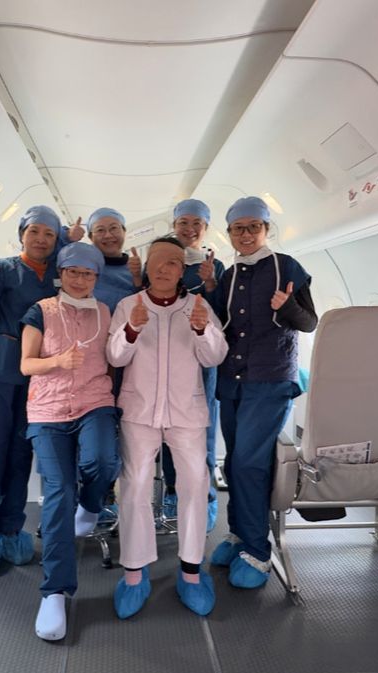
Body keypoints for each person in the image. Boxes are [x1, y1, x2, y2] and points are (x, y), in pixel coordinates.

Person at [107, 237, 228, 618]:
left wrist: (202, 330)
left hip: (186, 413)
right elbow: (115, 356)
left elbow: (215, 356)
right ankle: (134, 574)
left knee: (195, 486)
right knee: (135, 488)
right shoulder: (128, 305)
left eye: (172, 262)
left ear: (182, 271)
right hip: (139, 412)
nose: (163, 269)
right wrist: (131, 329)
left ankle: (191, 572)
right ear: (146, 268)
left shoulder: (198, 306)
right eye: (157, 261)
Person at [0, 205, 81, 577]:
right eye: (34, 232)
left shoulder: (61, 273)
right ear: (21, 235)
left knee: (20, 452)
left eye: (49, 234)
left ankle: (11, 527)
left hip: (36, 376)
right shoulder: (2, 268)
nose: (41, 239)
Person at [210, 197, 318, 589]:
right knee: (235, 462)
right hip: (232, 379)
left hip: (270, 379)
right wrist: (209, 286)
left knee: (249, 464)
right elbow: (218, 321)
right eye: (238, 228)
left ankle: (258, 551)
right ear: (229, 233)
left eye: (253, 227)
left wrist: (287, 306)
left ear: (266, 229)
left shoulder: (287, 267)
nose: (246, 234)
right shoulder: (229, 275)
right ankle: (239, 534)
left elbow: (309, 322)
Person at [19, 242, 118, 641]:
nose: (80, 279)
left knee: (104, 463)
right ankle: (55, 592)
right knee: (59, 493)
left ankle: (91, 506)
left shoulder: (105, 312)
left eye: (88, 273)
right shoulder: (40, 311)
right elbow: (26, 364)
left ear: (97, 277)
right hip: (48, 409)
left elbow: (115, 355)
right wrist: (57, 361)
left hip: (95, 401)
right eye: (73, 272)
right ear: (61, 274)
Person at [161, 199, 225, 532]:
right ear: (174, 226)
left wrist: (211, 284)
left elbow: (223, 317)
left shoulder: (216, 266)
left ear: (206, 228)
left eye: (196, 223)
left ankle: (205, 497)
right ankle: (173, 491)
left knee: (202, 430)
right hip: (166, 359)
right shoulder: (161, 262)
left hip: (201, 361)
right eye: (183, 223)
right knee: (167, 429)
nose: (189, 229)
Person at [85, 207, 142, 313]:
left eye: (113, 228)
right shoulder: (82, 267)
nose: (108, 235)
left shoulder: (135, 270)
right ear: (91, 237)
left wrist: (137, 278)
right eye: (100, 230)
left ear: (124, 231)